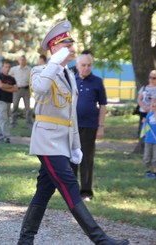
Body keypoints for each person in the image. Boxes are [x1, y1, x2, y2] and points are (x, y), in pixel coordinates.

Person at [17, 20, 129, 245]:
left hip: (64, 140)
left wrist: (75, 145)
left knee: (44, 190)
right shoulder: (40, 71)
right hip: (46, 140)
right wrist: (53, 64)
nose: (72, 49)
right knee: (70, 185)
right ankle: (101, 240)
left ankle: (25, 241)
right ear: (54, 48)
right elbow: (39, 90)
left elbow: (71, 116)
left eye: (71, 44)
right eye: (66, 45)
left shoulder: (69, 75)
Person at [71, 53, 107, 202]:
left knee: (86, 159)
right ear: (77, 65)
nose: (86, 68)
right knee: (71, 159)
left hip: (90, 126)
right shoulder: (71, 80)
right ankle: (71, 192)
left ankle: (86, 192)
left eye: (89, 65)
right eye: (83, 65)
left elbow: (103, 105)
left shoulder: (97, 82)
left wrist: (101, 126)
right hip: (71, 126)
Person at [0, 60, 18, 143]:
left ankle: (0, 135)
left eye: (9, 67)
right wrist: (10, 87)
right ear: (2, 67)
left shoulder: (12, 78)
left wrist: (5, 87)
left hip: (9, 100)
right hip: (0, 99)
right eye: (6, 67)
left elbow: (16, 89)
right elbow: (0, 85)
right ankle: (6, 136)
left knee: (4, 118)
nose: (7, 69)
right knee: (4, 118)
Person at [9, 55, 32, 128]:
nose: (22, 61)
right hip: (17, 90)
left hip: (26, 89)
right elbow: (8, 77)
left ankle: (29, 123)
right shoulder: (14, 69)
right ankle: (13, 123)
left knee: (28, 107)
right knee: (15, 106)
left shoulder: (29, 69)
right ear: (18, 61)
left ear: (26, 61)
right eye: (21, 60)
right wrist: (12, 84)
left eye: (23, 60)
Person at [136, 70, 156, 137]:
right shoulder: (144, 88)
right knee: (143, 127)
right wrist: (144, 107)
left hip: (153, 112)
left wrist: (150, 108)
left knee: (151, 128)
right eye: (150, 77)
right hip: (143, 111)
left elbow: (153, 100)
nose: (151, 79)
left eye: (154, 78)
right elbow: (139, 99)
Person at [141, 94, 156, 179]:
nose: (153, 104)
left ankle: (154, 172)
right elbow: (146, 127)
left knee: (155, 158)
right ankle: (147, 171)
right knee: (147, 156)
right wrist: (144, 122)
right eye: (152, 102)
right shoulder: (149, 115)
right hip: (148, 139)